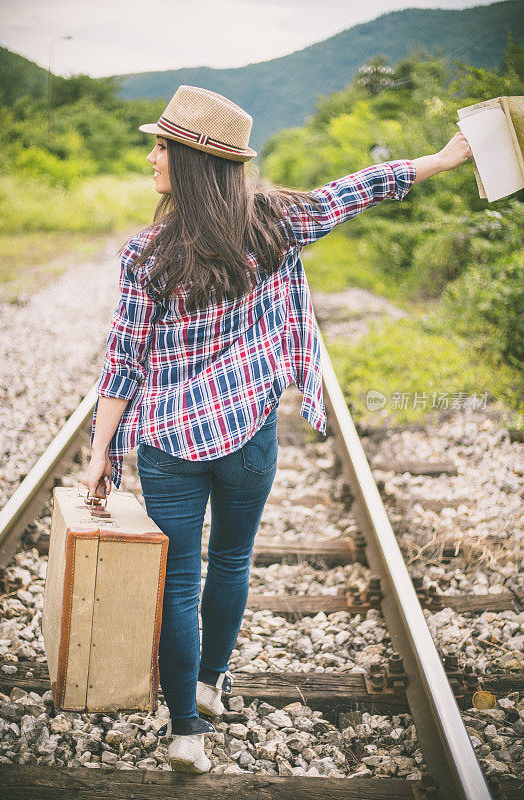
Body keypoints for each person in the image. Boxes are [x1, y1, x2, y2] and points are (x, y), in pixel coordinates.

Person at [82, 84, 472, 773]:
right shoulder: (277, 223)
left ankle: (186, 733)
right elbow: (358, 189)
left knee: (177, 580)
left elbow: (124, 360)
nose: (151, 156)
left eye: (161, 147)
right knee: (231, 561)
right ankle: (212, 681)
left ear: (193, 163)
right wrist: (441, 160)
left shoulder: (146, 255)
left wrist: (100, 451)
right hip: (249, 435)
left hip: (169, 444)